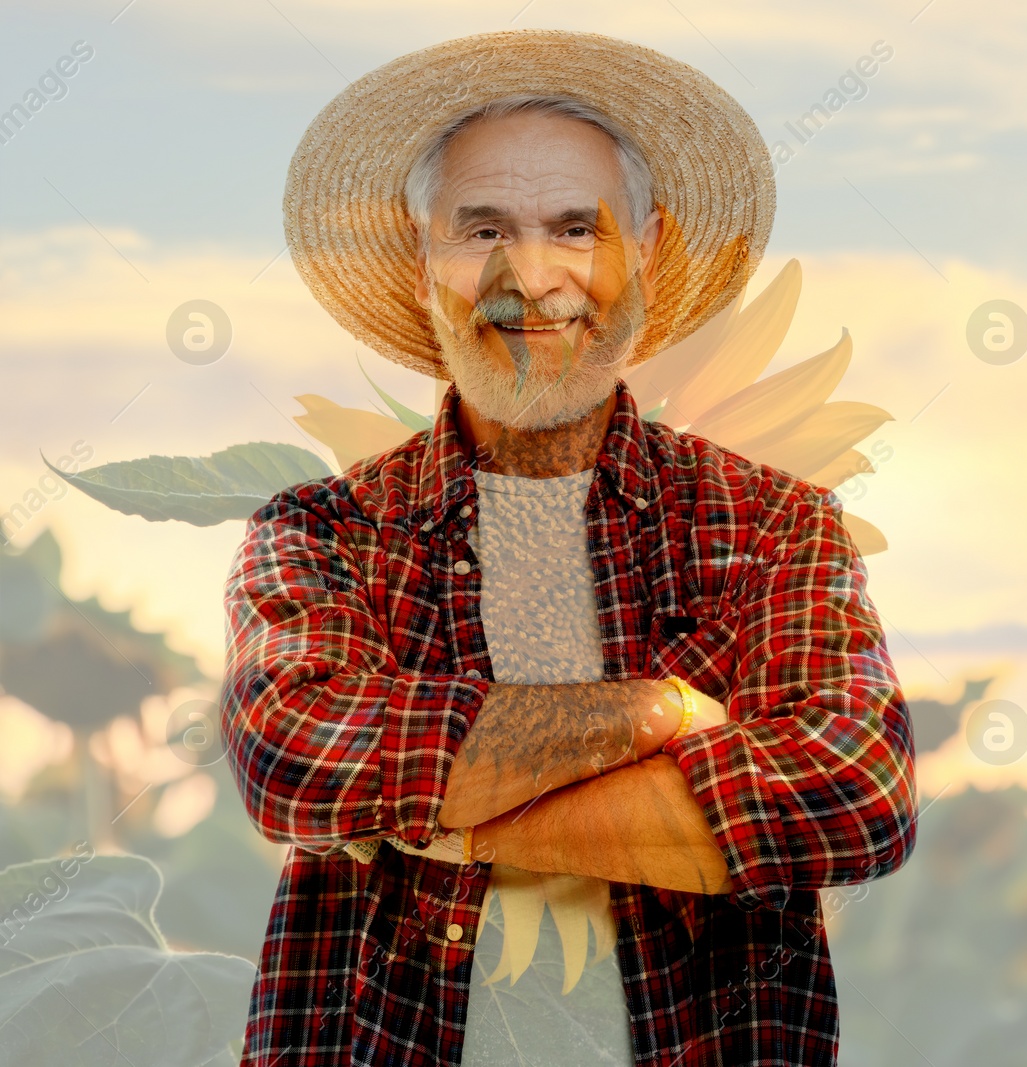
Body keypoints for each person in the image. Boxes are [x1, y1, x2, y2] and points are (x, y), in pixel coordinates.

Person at [219, 28, 917, 1067]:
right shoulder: (321, 530)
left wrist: (444, 814)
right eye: (482, 227)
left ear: (651, 251)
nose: (530, 274)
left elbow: (852, 791)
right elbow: (295, 753)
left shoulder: (775, 525)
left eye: (574, 228)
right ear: (423, 268)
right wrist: (660, 711)